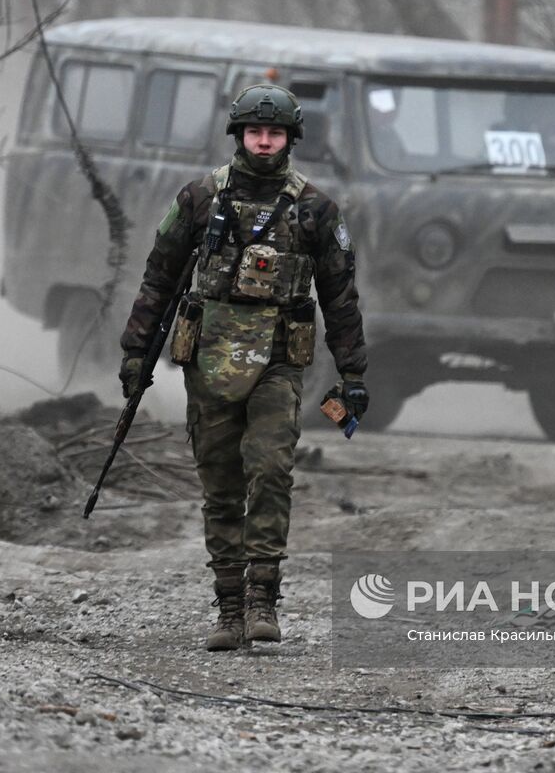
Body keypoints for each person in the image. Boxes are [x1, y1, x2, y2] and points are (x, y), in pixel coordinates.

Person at [119, 84, 369, 651]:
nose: (263, 141)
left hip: (279, 359)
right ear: (238, 134)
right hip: (208, 355)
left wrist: (352, 373)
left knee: (271, 469)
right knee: (220, 482)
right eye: (254, 132)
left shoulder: (316, 209)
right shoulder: (199, 198)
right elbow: (159, 277)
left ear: (290, 138)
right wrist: (136, 353)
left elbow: (340, 297)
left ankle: (263, 601)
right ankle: (229, 608)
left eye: (274, 132)